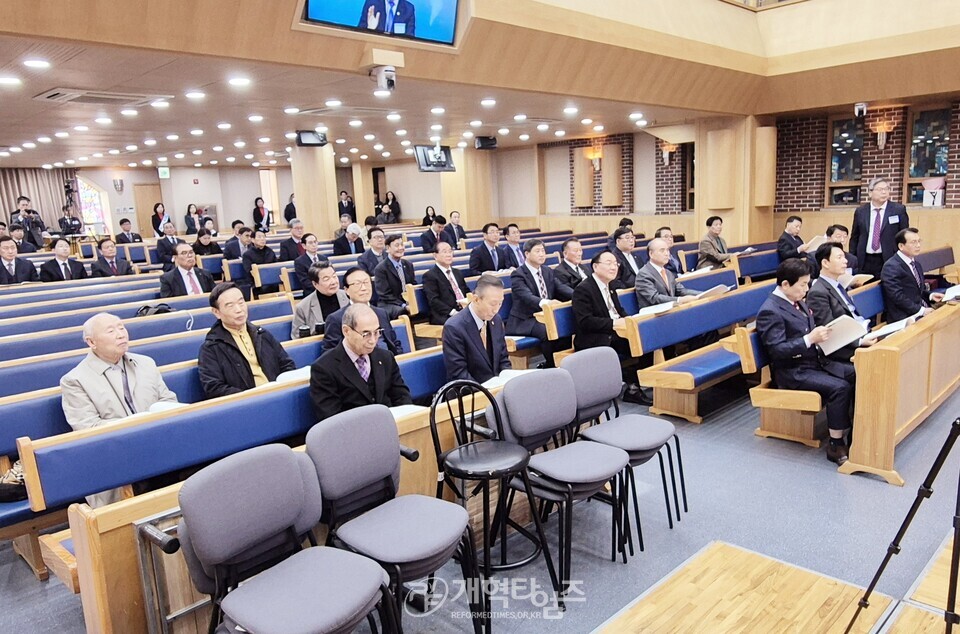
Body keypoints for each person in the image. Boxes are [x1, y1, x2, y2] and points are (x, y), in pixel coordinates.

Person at [60, 312, 179, 506]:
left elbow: (168, 401)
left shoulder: (146, 363)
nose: (121, 334)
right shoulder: (75, 380)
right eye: (111, 330)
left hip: (160, 447)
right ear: (91, 342)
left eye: (121, 327)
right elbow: (88, 428)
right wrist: (138, 426)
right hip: (116, 458)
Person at [756, 258, 856, 465]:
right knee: (840, 387)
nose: (807, 288)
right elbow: (776, 350)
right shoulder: (770, 310)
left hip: (815, 361)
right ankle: (836, 445)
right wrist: (809, 339)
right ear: (785, 284)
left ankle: (856, 433)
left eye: (807, 283)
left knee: (857, 372)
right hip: (793, 371)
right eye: (802, 284)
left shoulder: (798, 300)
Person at [310, 304, 413, 421]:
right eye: (366, 334)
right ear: (346, 331)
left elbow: (402, 397)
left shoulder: (386, 357)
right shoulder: (324, 368)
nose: (373, 340)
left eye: (377, 332)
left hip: (391, 425)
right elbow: (332, 419)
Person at [572, 250, 649, 405]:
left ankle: (637, 383)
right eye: (609, 263)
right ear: (595, 266)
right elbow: (585, 322)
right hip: (593, 337)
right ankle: (631, 388)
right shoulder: (584, 289)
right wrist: (614, 324)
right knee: (632, 344)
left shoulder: (610, 285)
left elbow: (618, 310)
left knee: (647, 336)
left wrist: (629, 320)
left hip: (614, 331)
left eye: (616, 263)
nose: (614, 267)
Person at [197, 282, 295, 399]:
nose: (239, 309)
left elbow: (287, 364)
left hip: (278, 395)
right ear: (216, 312)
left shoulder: (262, 334)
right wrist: (248, 397)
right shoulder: (211, 348)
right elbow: (214, 388)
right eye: (230, 305)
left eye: (241, 302)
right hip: (246, 404)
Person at [637, 238, 719, 355]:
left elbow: (681, 290)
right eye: (662, 250)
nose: (667, 253)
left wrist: (703, 294)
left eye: (667, 250)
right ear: (651, 254)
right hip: (656, 319)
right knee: (701, 331)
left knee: (708, 327)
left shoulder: (668, 273)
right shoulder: (644, 274)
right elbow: (654, 298)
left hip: (671, 315)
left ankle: (709, 359)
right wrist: (679, 300)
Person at [807, 242, 876, 364]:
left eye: (844, 257)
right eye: (839, 257)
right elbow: (830, 330)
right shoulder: (818, 292)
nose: (845, 261)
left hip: (861, 332)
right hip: (844, 348)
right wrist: (859, 342)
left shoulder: (837, 285)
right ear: (825, 263)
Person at [442, 274, 511, 383]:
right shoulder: (454, 327)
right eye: (493, 304)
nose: (496, 310)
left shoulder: (496, 320)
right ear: (476, 299)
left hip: (496, 388)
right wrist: (486, 392)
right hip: (470, 393)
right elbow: (459, 373)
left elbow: (503, 360)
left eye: (500, 303)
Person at [507, 238, 562, 368]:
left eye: (543, 251)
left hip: (545, 317)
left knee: (565, 324)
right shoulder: (518, 274)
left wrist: (578, 296)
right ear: (527, 254)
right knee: (546, 329)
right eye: (537, 251)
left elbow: (560, 287)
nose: (542, 254)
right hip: (524, 320)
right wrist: (547, 303)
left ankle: (561, 361)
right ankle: (552, 365)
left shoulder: (547, 271)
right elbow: (526, 296)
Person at [323, 267, 403, 355]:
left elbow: (394, 344)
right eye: (357, 284)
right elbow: (331, 354)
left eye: (366, 282)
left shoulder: (381, 313)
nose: (364, 288)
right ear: (346, 290)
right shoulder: (336, 319)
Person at [850, 176, 909, 280]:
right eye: (880, 189)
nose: (884, 192)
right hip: (864, 259)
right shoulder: (861, 211)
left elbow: (904, 235)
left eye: (886, 189)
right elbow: (855, 236)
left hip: (888, 258)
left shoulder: (898, 210)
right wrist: (853, 257)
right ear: (870, 193)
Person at [881, 228, 944, 322]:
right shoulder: (891, 266)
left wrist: (931, 295)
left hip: (919, 308)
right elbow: (897, 296)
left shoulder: (916, 264)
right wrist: (920, 310)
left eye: (919, 241)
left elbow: (916, 291)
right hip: (904, 315)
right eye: (913, 242)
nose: (918, 245)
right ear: (901, 246)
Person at [291, 262, 349, 338]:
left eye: (334, 276)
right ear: (315, 284)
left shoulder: (348, 296)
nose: (333, 282)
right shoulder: (303, 307)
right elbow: (297, 338)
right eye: (326, 279)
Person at [421, 242, 470, 325]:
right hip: (444, 315)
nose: (448, 255)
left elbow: (466, 291)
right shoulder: (430, 276)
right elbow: (434, 301)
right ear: (435, 255)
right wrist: (454, 312)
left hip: (463, 310)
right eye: (444, 252)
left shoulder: (457, 272)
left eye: (450, 251)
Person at [373, 234, 414, 319]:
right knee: (401, 311)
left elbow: (413, 284)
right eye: (396, 245)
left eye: (402, 245)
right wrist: (403, 305)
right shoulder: (381, 269)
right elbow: (385, 294)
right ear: (388, 248)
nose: (400, 248)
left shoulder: (408, 264)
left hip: (407, 300)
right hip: (389, 303)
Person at [242, 230, 278, 296]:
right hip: (255, 282)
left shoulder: (270, 251)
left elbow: (275, 266)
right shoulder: (247, 254)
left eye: (264, 237)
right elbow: (249, 271)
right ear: (253, 240)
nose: (262, 239)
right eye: (259, 237)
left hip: (271, 280)